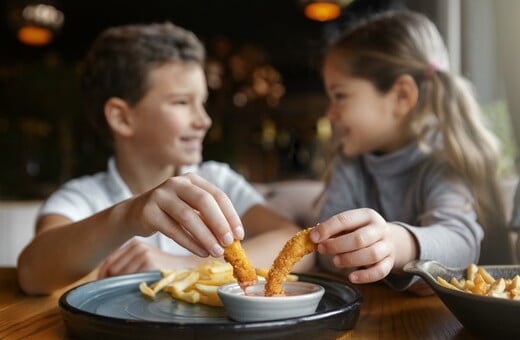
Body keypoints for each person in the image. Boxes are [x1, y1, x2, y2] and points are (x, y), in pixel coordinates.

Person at [17, 22, 314, 295]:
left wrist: (183, 264)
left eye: (203, 103)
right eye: (182, 102)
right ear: (122, 117)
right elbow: (32, 273)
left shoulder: (216, 180)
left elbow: (291, 242)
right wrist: (130, 214)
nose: (204, 120)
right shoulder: (82, 197)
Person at [309, 10, 512, 293]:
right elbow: (325, 252)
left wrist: (394, 243)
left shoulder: (442, 160)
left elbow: (461, 243)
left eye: (340, 95)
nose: (330, 113)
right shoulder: (350, 163)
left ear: (402, 96)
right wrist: (347, 249)